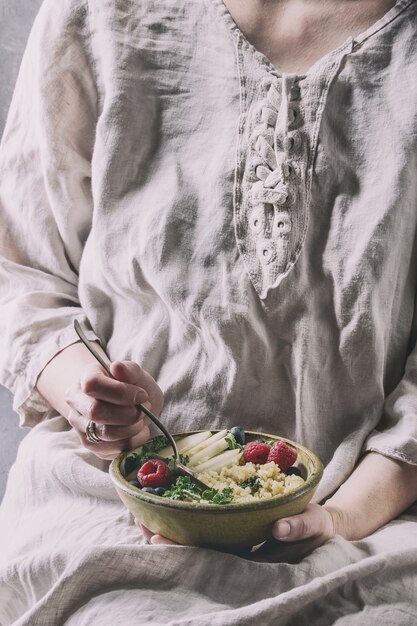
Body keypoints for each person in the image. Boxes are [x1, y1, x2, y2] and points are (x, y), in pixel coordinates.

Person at [0, 0, 417, 623]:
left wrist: (340, 517)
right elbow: (22, 268)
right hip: (107, 496)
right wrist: (90, 400)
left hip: (372, 514)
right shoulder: (98, 14)